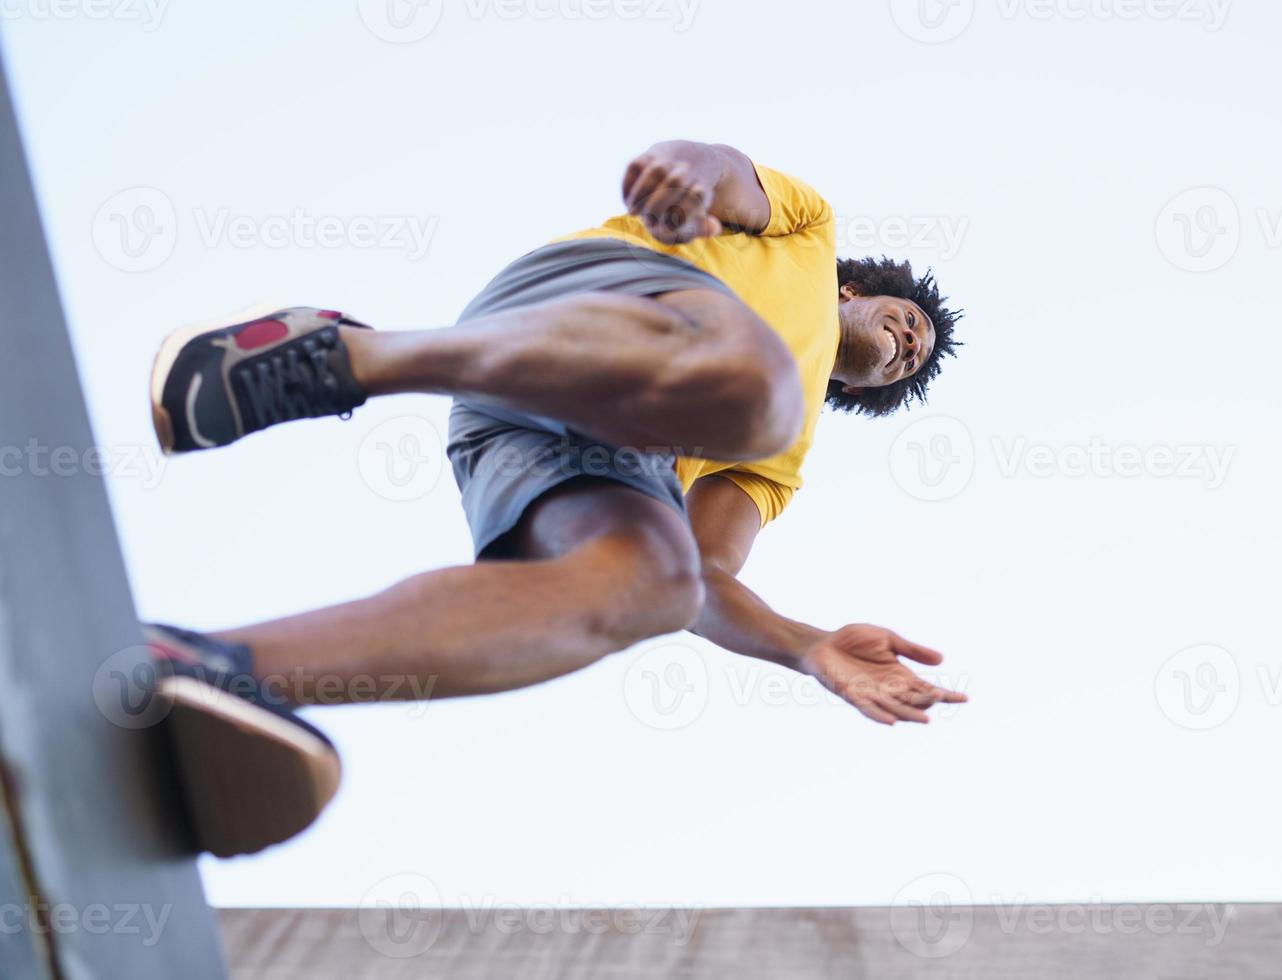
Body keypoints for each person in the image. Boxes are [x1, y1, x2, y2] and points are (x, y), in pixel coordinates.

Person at [143, 140, 966, 857]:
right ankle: (341, 358)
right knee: (761, 395)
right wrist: (682, 173)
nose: (908, 345)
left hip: (549, 434)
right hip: (599, 303)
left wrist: (806, 646)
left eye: (910, 361)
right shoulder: (811, 234)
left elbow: (709, 578)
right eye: (907, 322)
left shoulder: (781, 456)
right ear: (856, 289)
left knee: (655, 585)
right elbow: (721, 168)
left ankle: (212, 669)